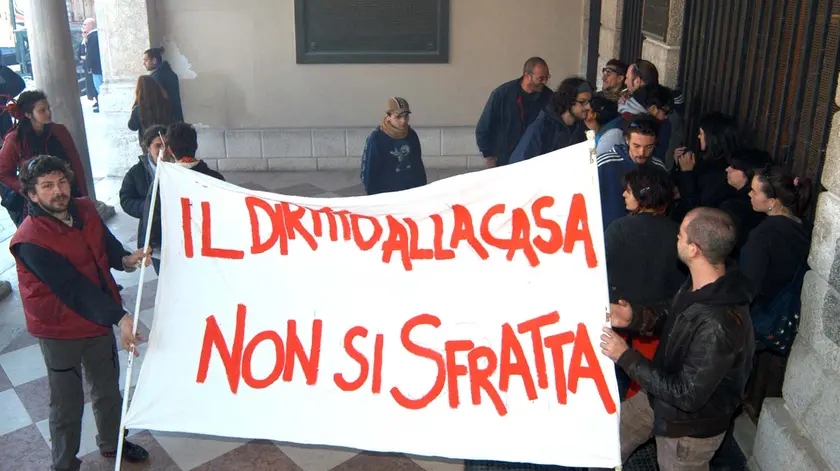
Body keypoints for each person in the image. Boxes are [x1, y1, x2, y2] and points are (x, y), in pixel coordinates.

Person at [10, 155, 150, 470]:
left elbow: (105, 244)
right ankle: (63, 464)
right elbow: (72, 287)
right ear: (32, 195)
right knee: (67, 403)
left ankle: (112, 443)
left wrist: (125, 259)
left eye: (61, 182)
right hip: (59, 329)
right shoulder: (29, 240)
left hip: (97, 318)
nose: (58, 191)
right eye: (47, 186)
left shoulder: (84, 209)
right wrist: (120, 317)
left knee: (107, 389)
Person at [599, 207, 754, 470]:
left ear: (694, 249)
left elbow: (686, 394)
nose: (676, 238)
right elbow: (675, 313)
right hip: (657, 394)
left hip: (688, 431)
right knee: (605, 447)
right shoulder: (705, 283)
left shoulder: (718, 324)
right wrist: (634, 317)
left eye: (680, 235)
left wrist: (624, 356)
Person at [605, 165, 685, 400]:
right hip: (657, 325)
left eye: (629, 191)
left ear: (643, 194)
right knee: (644, 385)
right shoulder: (678, 233)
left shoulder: (618, 228)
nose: (623, 195)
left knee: (614, 384)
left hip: (619, 318)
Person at [741, 166, 812, 420]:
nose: (749, 194)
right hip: (785, 312)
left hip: (762, 312)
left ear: (772, 202)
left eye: (754, 191)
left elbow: (749, 283)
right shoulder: (804, 227)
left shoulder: (763, 235)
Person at [0, 91, 90, 226]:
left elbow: (75, 163)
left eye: (48, 108)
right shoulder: (15, 139)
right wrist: (27, 187)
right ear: (28, 114)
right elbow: (3, 172)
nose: (48, 113)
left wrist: (83, 193)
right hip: (38, 201)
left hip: (66, 192)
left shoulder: (59, 131)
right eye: (42, 110)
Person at [145, 122, 224, 273]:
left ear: (170, 150)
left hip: (178, 255)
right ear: (196, 145)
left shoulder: (161, 184)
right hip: (211, 254)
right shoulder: (216, 179)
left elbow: (153, 223)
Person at [475, 57, 553, 168]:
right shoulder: (502, 95)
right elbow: (484, 127)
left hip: (535, 160)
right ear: (527, 76)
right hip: (504, 160)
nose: (545, 82)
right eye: (541, 78)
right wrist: (488, 155)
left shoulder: (549, 98)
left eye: (547, 77)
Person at [596, 115, 666, 229]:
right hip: (607, 232)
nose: (642, 152)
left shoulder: (658, 168)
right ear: (627, 140)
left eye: (649, 147)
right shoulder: (604, 163)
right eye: (636, 146)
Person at [671, 112, 741, 222]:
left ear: (712, 138)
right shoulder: (705, 158)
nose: (698, 137)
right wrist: (677, 165)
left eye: (701, 133)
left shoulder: (723, 171)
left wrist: (686, 172)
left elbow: (696, 206)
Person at [508, 77, 591, 163]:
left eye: (589, 102)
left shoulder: (582, 128)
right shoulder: (542, 126)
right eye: (582, 102)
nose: (588, 107)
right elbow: (518, 162)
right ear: (569, 100)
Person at [360, 97, 426, 195]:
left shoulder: (411, 135)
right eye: (398, 117)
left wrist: (422, 189)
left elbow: (418, 166)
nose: (403, 121)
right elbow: (369, 172)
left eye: (406, 116)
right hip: (386, 193)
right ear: (388, 116)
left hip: (411, 191)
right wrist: (373, 196)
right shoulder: (376, 138)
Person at [719, 149, 772, 258]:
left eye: (734, 167)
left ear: (748, 173)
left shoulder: (734, 207)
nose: (727, 169)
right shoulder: (735, 198)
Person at [120, 125, 167, 249]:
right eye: (158, 146)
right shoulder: (136, 173)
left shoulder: (178, 167)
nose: (163, 150)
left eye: (166, 145)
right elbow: (126, 200)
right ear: (148, 148)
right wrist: (147, 207)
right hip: (152, 235)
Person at [596, 84, 673, 159]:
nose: (666, 117)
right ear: (653, 109)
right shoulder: (617, 132)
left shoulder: (623, 122)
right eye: (666, 112)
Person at [128, 75, 174, 141]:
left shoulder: (138, 109)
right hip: (165, 140)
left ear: (139, 90)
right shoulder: (166, 104)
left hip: (147, 143)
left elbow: (133, 127)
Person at [143, 47, 184, 121]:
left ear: (154, 60)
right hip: (176, 117)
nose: (143, 63)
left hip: (164, 119)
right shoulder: (171, 73)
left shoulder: (156, 77)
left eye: (145, 60)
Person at [83, 18, 102, 113]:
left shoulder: (92, 36)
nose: (84, 26)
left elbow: (91, 53)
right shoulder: (96, 35)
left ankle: (101, 105)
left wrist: (89, 66)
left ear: (90, 25)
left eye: (85, 24)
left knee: (99, 87)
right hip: (99, 66)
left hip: (96, 67)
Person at [77, 29, 98, 109]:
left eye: (85, 32)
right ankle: (95, 99)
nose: (84, 34)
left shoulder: (91, 41)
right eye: (83, 33)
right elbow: (79, 54)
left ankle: (98, 100)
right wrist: (82, 57)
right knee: (90, 85)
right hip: (86, 67)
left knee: (95, 84)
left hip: (93, 66)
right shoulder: (82, 43)